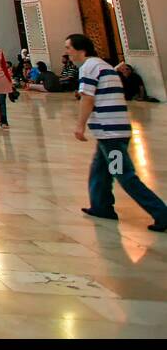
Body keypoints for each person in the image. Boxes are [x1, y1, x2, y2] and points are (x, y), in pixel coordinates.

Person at [67, 33, 167, 231]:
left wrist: (80, 125)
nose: (67, 52)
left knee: (124, 175)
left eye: (69, 48)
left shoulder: (89, 67)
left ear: (81, 49)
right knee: (99, 170)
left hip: (110, 133)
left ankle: (161, 212)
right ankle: (101, 206)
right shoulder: (103, 65)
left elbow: (87, 98)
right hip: (114, 130)